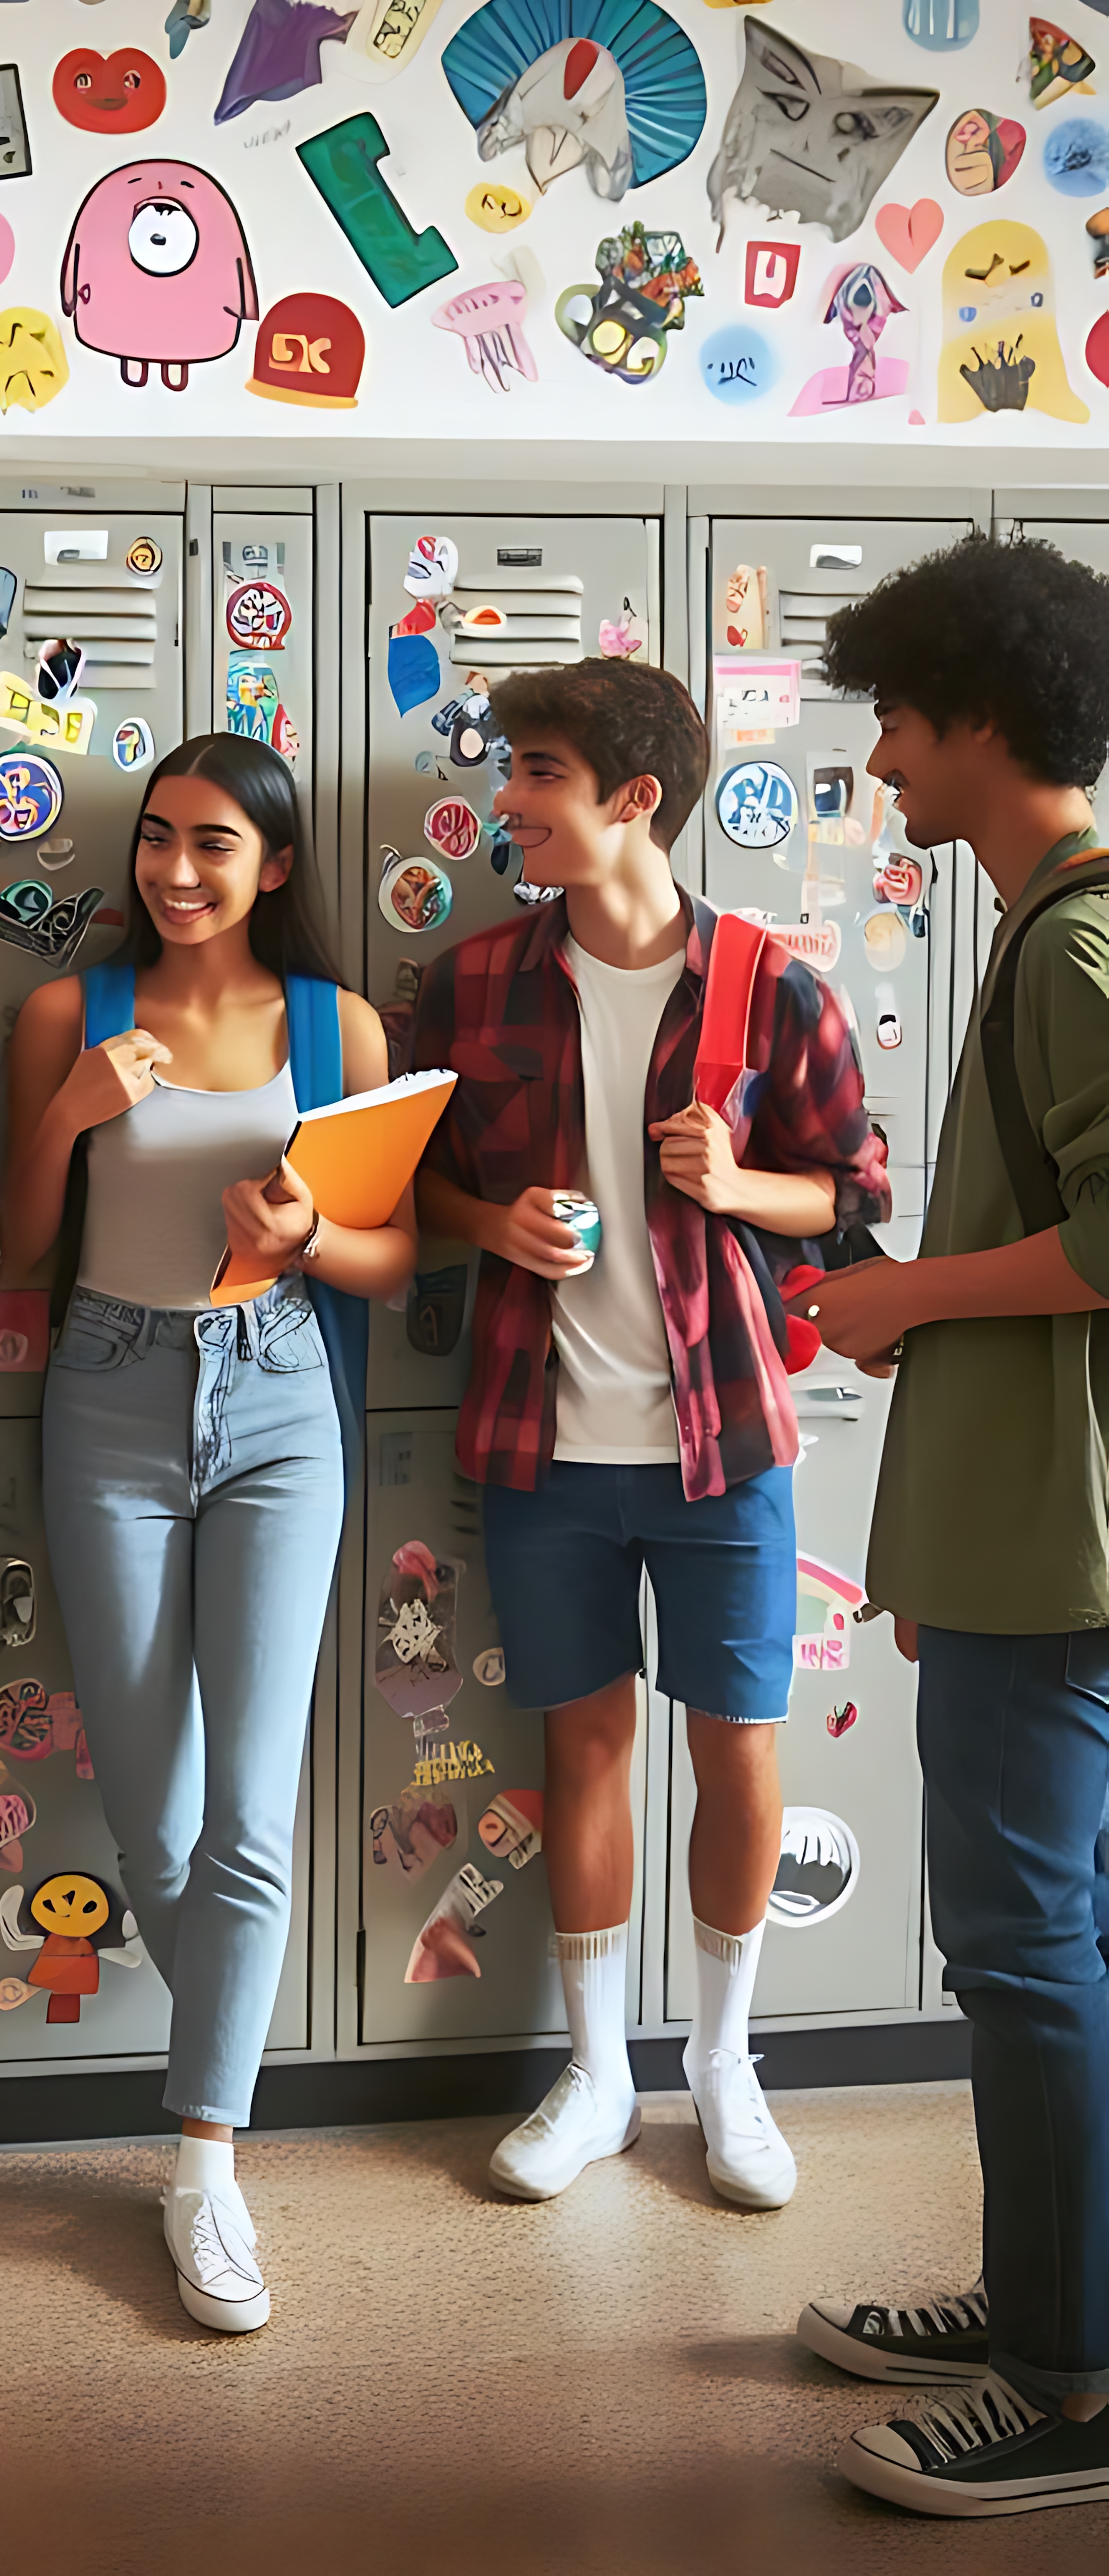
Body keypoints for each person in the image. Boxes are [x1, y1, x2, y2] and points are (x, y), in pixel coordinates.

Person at [410, 660, 888, 2214]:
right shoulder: (473, 980)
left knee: (733, 1748)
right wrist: (494, 1221)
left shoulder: (766, 983)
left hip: (722, 1441)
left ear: (630, 797)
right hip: (539, 1439)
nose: (507, 801)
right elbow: (401, 1187)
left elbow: (856, 1199)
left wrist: (733, 1180)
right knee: (581, 1745)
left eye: (534, 773)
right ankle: (596, 2068)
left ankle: (722, 2061)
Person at [3, 733, 416, 2332]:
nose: (176, 872)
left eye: (214, 846)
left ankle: (202, 2163)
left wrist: (312, 1232)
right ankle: (227, 2051)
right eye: (159, 840)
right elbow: (14, 1247)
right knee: (151, 1822)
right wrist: (67, 1112)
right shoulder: (70, 1013)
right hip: (105, 1388)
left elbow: (386, 1260)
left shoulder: (333, 1024)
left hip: (278, 1395)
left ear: (276, 866)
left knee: (249, 1808)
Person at [795, 532, 1109, 2518]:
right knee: (1045, 1942)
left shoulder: (1073, 934)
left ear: (980, 716)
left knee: (1021, 1947)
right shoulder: (1043, 925)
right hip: (1017, 1533)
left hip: (1048, 1554)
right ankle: (1033, 2294)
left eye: (899, 720)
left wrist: (898, 1294)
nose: (882, 760)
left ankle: (1062, 2377)